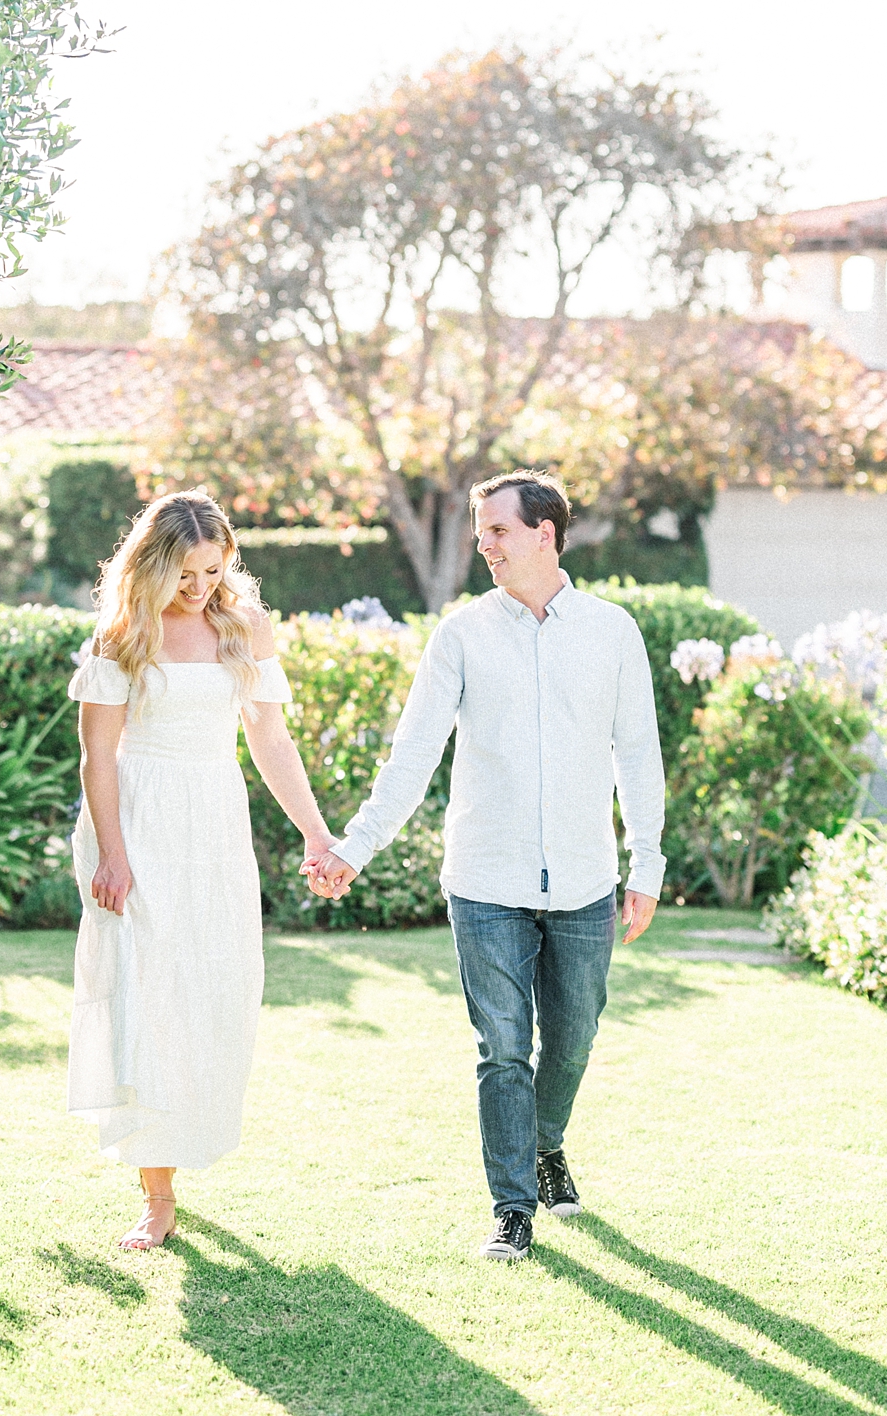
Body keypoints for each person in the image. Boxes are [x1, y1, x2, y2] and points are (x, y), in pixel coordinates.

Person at [304, 469, 665, 1262]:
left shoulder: (612, 631)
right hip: (485, 880)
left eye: (497, 529)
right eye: (480, 531)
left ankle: (547, 1143)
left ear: (545, 532)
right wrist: (354, 847)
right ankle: (512, 1206)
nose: (483, 544)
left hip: (582, 879)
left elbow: (638, 754)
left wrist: (647, 865)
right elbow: (414, 755)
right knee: (503, 1046)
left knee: (572, 1036)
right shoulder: (461, 634)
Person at [69, 488, 337, 1251]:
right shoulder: (124, 631)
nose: (199, 588)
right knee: (148, 995)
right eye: (184, 573)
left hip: (214, 823)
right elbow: (98, 755)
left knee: (216, 986)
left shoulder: (244, 624)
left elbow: (270, 737)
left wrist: (317, 835)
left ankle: (188, 1137)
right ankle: (157, 1195)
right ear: (153, 563)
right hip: (138, 821)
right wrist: (114, 854)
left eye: (212, 570)